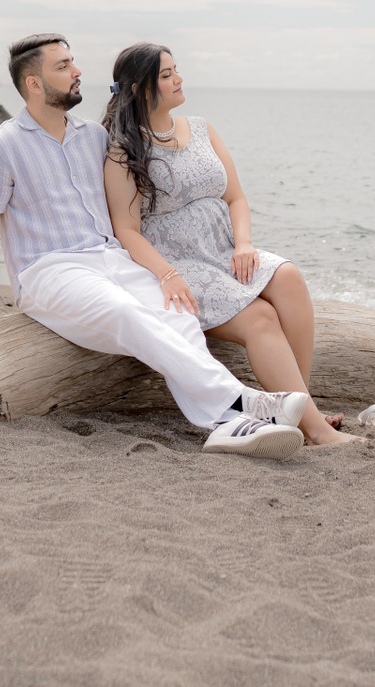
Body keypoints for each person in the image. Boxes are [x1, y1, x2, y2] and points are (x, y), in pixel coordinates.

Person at [0, 33, 309, 459]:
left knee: (180, 316)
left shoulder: (93, 136)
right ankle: (243, 402)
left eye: (73, 62)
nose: (77, 71)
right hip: (49, 270)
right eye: (63, 66)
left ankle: (227, 424)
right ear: (34, 83)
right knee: (125, 312)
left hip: (111, 259)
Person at [102, 42, 357, 447]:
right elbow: (127, 229)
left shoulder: (201, 129)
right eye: (166, 75)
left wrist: (244, 244)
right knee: (261, 318)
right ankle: (316, 430)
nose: (179, 79)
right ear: (138, 89)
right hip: (177, 263)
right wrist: (166, 275)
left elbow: (235, 197)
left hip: (224, 250)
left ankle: (300, 407)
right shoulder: (123, 152)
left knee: (289, 276)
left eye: (175, 70)